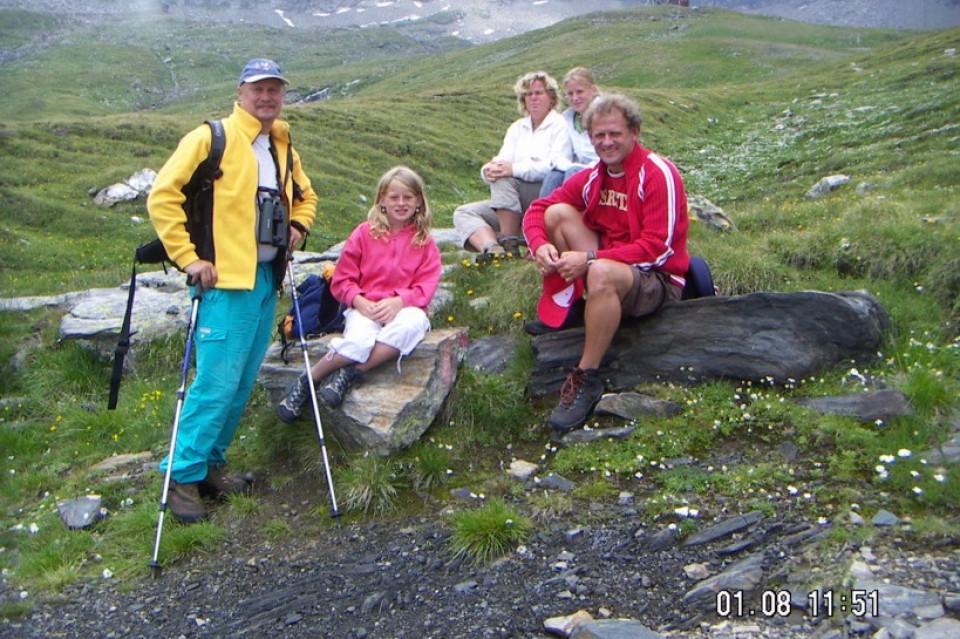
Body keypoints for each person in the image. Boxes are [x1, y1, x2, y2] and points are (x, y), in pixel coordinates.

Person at [148, 58, 318, 523]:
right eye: (258, 89)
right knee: (217, 384)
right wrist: (188, 258)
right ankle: (180, 475)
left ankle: (210, 465)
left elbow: (306, 195)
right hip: (223, 282)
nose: (267, 97)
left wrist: (298, 226)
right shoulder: (212, 137)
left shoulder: (281, 143)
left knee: (241, 382)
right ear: (240, 93)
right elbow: (162, 194)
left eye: (275, 90)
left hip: (265, 279)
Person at [522, 94, 690, 433]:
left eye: (615, 134)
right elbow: (537, 211)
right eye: (599, 135)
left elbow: (657, 248)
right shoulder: (594, 176)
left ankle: (587, 375)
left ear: (634, 133)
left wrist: (590, 259)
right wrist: (540, 246)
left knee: (598, 271)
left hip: (654, 278)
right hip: (609, 268)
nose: (607, 142)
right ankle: (572, 305)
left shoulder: (657, 173)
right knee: (557, 214)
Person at [277, 166, 441, 422]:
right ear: (381, 201)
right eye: (394, 197)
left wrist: (400, 301)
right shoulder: (365, 233)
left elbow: (427, 285)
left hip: (403, 309)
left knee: (411, 325)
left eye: (408, 197)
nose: (401, 203)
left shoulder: (425, 242)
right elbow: (342, 279)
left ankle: (349, 374)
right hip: (365, 307)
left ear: (419, 201)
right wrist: (358, 301)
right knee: (360, 340)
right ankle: (308, 380)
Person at [453, 71, 572, 263]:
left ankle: (509, 243)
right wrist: (488, 170)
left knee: (505, 178)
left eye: (538, 93)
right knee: (464, 212)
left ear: (551, 97)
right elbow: (502, 159)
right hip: (513, 202)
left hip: (545, 197)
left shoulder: (560, 125)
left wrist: (513, 170)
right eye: (528, 94)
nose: (533, 98)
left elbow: (556, 166)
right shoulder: (518, 127)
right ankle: (493, 248)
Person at [538, 67, 602, 197]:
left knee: (573, 172)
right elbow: (561, 153)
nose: (575, 98)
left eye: (579, 92)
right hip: (580, 169)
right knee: (554, 175)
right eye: (570, 94)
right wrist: (565, 165)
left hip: (604, 170)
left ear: (593, 90)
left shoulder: (607, 113)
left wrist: (576, 167)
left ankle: (567, 214)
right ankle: (540, 214)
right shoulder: (568, 118)